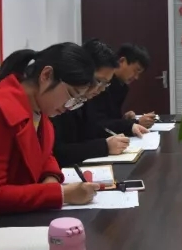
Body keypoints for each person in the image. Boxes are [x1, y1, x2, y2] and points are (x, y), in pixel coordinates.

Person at [0, 43, 101, 215]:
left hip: (18, 214)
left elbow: (45, 153)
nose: (69, 106)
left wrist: (50, 177)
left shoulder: (39, 108)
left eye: (77, 101)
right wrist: (62, 194)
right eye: (71, 95)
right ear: (46, 75)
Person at [52, 39, 149, 168]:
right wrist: (104, 146)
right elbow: (57, 152)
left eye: (106, 84)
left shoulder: (85, 99)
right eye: (99, 81)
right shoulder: (61, 100)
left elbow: (93, 129)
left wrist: (124, 127)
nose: (101, 89)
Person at [86, 43, 155, 130]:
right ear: (122, 61)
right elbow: (98, 124)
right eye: (135, 70)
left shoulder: (122, 87)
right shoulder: (98, 86)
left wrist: (124, 119)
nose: (136, 77)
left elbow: (109, 119)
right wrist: (133, 124)